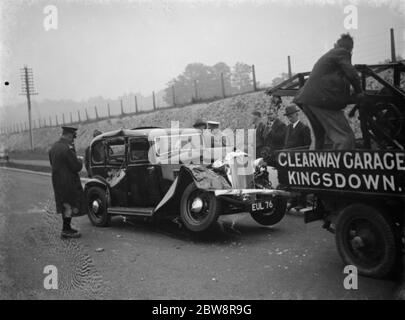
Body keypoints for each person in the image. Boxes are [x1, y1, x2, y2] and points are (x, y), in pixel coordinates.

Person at [294, 33, 364, 150]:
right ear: (349, 49)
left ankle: (316, 166)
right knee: (345, 137)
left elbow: (335, 79)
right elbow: (351, 72)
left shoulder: (330, 57)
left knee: (320, 137)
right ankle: (341, 168)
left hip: (307, 100)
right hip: (320, 100)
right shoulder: (342, 52)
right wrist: (359, 92)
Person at [49, 126, 85, 239]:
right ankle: (66, 230)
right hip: (68, 181)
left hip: (57, 181)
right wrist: (80, 160)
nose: (73, 140)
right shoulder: (67, 149)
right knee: (69, 204)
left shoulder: (54, 147)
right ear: (69, 135)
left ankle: (66, 228)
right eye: (72, 138)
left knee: (65, 204)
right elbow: (76, 167)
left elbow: (53, 163)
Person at [284, 105, 312, 214]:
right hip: (289, 159)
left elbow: (307, 145)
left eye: (291, 116)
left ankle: (302, 202)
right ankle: (293, 201)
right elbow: (286, 144)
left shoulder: (304, 128)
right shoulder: (288, 128)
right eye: (288, 117)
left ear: (296, 114)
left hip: (300, 159)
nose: (290, 118)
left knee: (301, 181)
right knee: (292, 181)